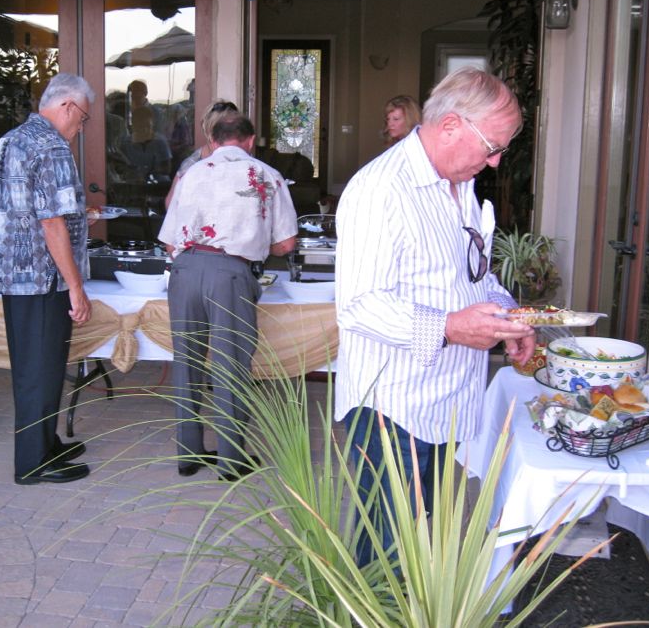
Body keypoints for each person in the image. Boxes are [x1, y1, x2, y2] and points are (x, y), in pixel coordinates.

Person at [335, 67, 536, 565]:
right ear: (449, 127)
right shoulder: (380, 190)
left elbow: (471, 277)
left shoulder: (458, 185)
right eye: (492, 146)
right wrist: (450, 326)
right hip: (392, 408)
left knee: (423, 549)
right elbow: (358, 304)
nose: (493, 162)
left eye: (501, 149)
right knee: (387, 555)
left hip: (446, 402)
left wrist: (507, 316)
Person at [158, 112, 298, 480]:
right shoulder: (266, 175)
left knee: (186, 361)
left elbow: (169, 237)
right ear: (250, 141)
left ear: (215, 141)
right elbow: (286, 243)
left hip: (184, 271)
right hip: (229, 273)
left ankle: (188, 454)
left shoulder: (193, 172)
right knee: (230, 366)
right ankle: (230, 459)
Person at [0, 73, 94, 485]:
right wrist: (76, 285)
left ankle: (44, 444)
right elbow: (52, 223)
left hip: (15, 276)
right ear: (67, 106)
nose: (81, 128)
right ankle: (32, 463)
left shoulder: (9, 140)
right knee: (42, 370)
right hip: (43, 278)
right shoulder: (51, 146)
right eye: (83, 118)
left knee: (34, 369)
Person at [164, 99, 238, 208]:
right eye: (219, 132)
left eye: (232, 131)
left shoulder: (242, 160)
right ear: (207, 131)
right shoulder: (190, 166)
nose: (225, 137)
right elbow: (171, 205)